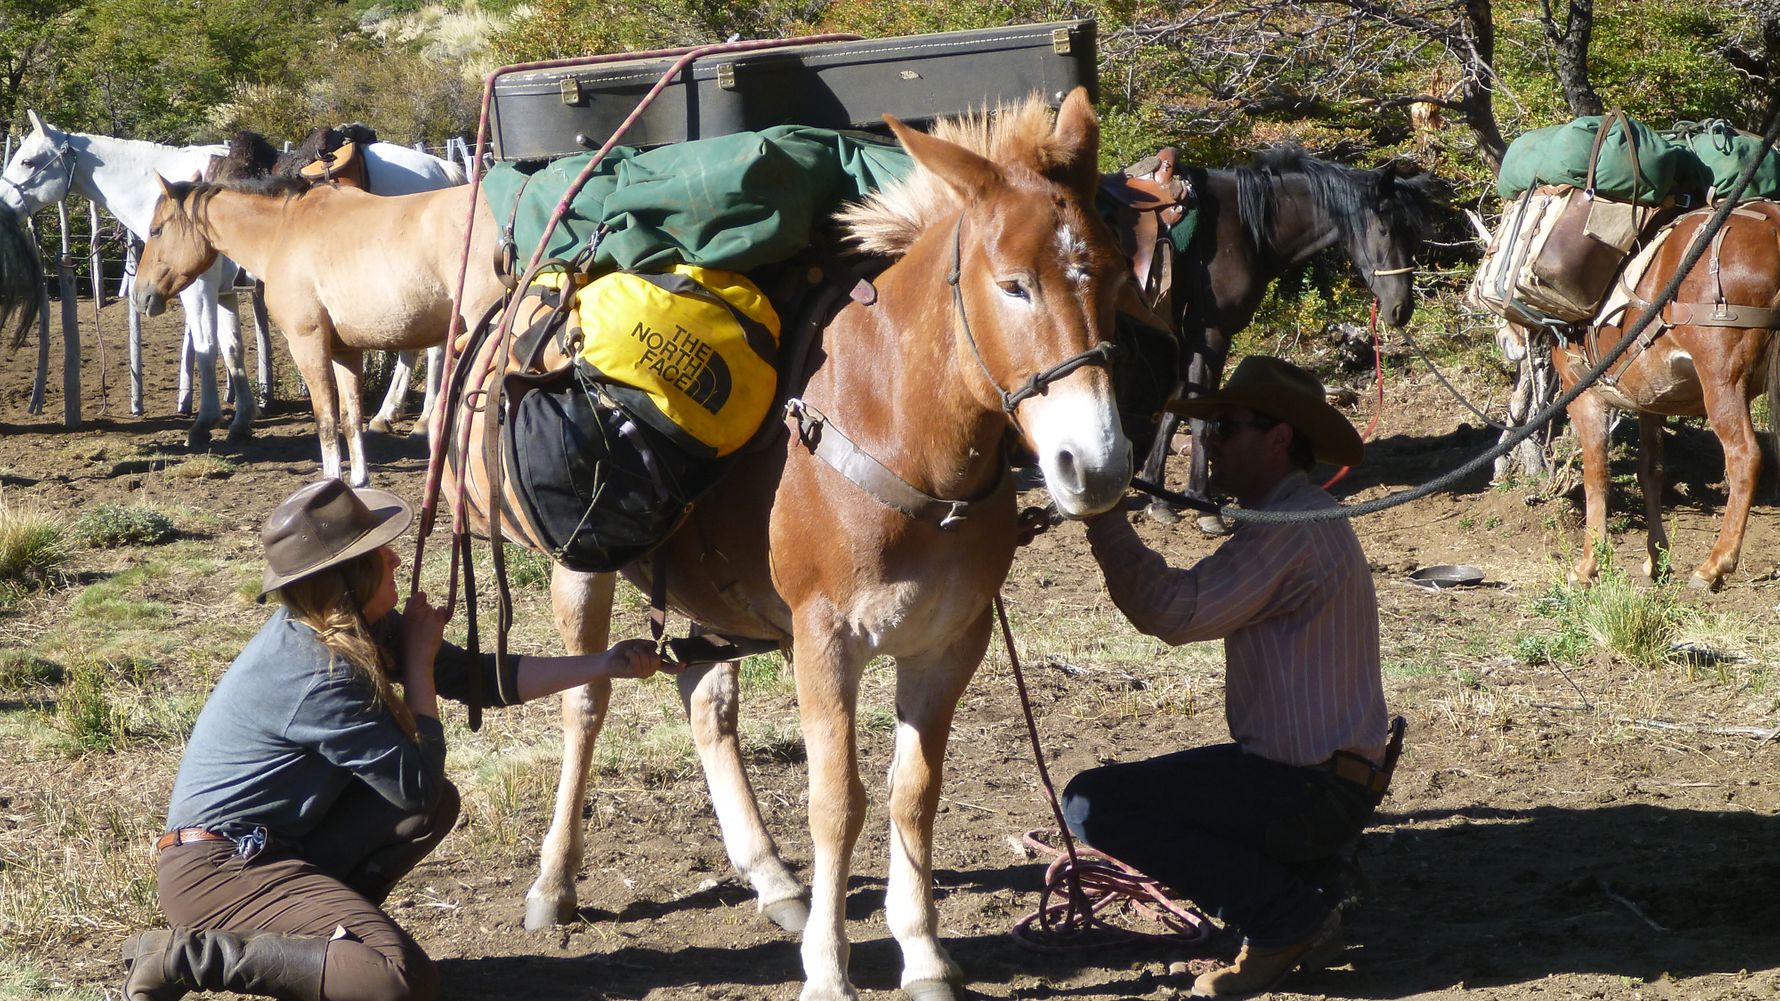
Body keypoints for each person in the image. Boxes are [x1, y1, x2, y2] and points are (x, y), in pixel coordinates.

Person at [121, 478, 665, 1001]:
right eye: (380, 555)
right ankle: (183, 958)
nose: (397, 561)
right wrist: (421, 668)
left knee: (429, 812)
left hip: (270, 849)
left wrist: (606, 663)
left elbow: (481, 680)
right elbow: (416, 785)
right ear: (351, 577)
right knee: (400, 982)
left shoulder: (346, 628)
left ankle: (328, 957)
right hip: (220, 873)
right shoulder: (321, 672)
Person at [1061, 355, 1399, 998]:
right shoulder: (1294, 518)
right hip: (1324, 783)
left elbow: (1173, 611)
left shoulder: (1291, 529)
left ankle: (1286, 915)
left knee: (1091, 805)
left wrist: (1102, 520)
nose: (1206, 446)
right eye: (1206, 430)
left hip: (1308, 791)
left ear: (1277, 439)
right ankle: (1308, 888)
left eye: (1224, 430)